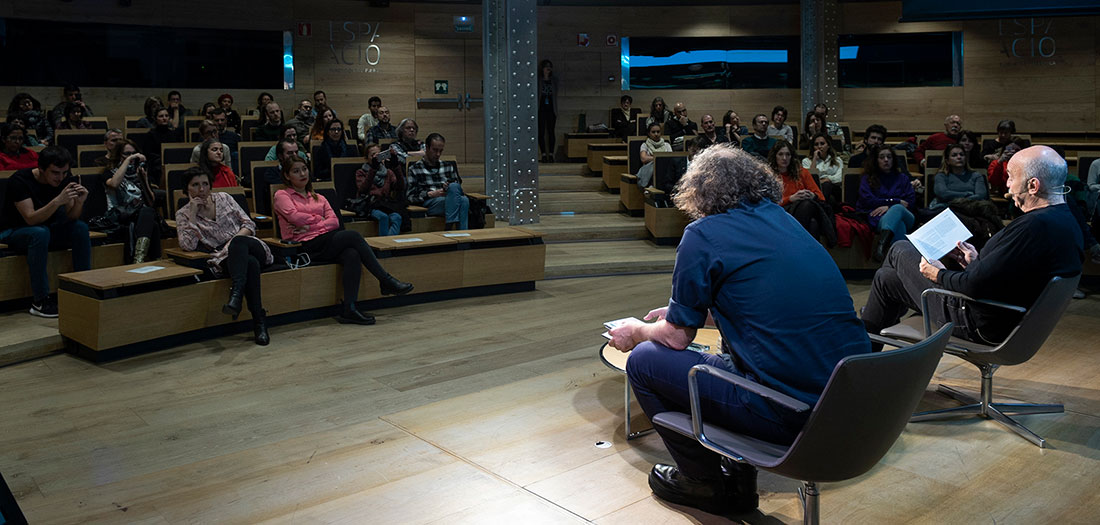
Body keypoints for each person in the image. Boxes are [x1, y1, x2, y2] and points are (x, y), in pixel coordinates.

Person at [607, 145, 870, 517]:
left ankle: (703, 482)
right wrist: (686, 313)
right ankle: (738, 478)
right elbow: (766, 307)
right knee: (731, 351)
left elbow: (677, 337)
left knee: (646, 360)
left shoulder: (702, 234)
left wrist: (637, 330)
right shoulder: (784, 220)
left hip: (790, 413)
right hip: (850, 403)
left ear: (698, 190)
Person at [861, 146, 1083, 346]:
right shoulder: (1065, 220)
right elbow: (1009, 275)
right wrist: (975, 263)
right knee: (885, 278)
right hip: (999, 317)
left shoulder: (1033, 226)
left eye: (1011, 177)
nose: (1007, 185)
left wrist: (938, 274)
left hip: (976, 322)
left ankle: (865, 352)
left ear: (1033, 186)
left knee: (899, 248)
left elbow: (974, 286)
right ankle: (868, 354)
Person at [273, 157, 412, 325]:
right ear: (287, 176)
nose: (302, 174)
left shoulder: (319, 197)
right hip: (304, 246)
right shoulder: (282, 195)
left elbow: (334, 222)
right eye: (296, 171)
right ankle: (385, 280)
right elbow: (295, 218)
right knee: (352, 236)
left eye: (304, 169)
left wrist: (311, 225)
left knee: (352, 254)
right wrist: (319, 219)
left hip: (323, 241)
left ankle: (349, 309)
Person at [175, 167, 272, 345]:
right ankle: (259, 321)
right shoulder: (183, 214)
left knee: (239, 244)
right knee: (250, 264)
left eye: (205, 184)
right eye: (195, 185)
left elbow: (249, 224)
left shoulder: (225, 198)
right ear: (186, 189)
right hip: (226, 259)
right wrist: (193, 214)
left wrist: (232, 244)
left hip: (249, 244)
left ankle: (236, 295)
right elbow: (188, 246)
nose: (201, 189)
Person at [0, 146, 90, 317]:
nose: (60, 178)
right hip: (13, 231)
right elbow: (30, 219)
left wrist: (79, 202)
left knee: (80, 228)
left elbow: (72, 217)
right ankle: (40, 301)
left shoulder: (65, 178)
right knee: (39, 232)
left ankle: (84, 289)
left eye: (64, 173)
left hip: (46, 229)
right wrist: (57, 201)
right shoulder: (20, 180)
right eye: (55, 173)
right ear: (41, 169)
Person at [100, 140, 161, 263]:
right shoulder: (109, 172)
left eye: (133, 153)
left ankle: (139, 259)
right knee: (150, 218)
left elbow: (150, 202)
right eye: (127, 154)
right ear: (119, 155)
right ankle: (153, 260)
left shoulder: (139, 172)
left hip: (139, 214)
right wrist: (128, 160)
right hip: (118, 214)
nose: (132, 157)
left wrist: (144, 180)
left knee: (149, 214)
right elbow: (114, 184)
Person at [858, 145, 916, 262]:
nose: (886, 160)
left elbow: (910, 202)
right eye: (882, 157)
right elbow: (868, 201)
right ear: (876, 160)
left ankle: (881, 245)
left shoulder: (902, 178)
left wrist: (889, 206)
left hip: (907, 216)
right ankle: (900, 263)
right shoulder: (868, 178)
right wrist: (895, 201)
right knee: (899, 225)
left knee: (898, 208)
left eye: (889, 157)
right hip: (879, 218)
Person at [770, 140, 834, 245]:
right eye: (780, 154)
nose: (784, 158)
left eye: (788, 154)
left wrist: (811, 195)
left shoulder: (801, 172)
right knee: (813, 224)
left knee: (807, 204)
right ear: (775, 156)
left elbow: (821, 197)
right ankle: (807, 251)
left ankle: (795, 245)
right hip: (781, 211)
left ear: (792, 156)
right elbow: (767, 203)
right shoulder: (769, 174)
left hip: (802, 209)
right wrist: (790, 199)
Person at [406, 133, 468, 230]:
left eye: (440, 151)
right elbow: (410, 196)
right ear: (427, 148)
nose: (438, 154)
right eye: (435, 150)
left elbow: (458, 191)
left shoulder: (448, 166)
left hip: (449, 198)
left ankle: (452, 226)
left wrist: (448, 188)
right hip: (431, 203)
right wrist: (430, 194)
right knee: (463, 201)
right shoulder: (415, 168)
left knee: (460, 195)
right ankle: (458, 232)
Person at [349, 143, 407, 236]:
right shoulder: (361, 172)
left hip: (385, 204)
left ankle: (389, 242)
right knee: (383, 217)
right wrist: (373, 169)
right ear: (366, 158)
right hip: (370, 204)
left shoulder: (388, 172)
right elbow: (363, 189)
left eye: (378, 155)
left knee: (397, 217)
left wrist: (396, 167)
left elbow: (400, 186)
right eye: (373, 155)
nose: (376, 157)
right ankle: (385, 243)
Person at [929, 143, 988, 210]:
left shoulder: (976, 175)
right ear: (947, 161)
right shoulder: (941, 176)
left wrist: (961, 202)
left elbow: (980, 196)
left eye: (962, 155)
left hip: (971, 209)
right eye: (954, 155)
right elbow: (943, 194)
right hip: (946, 208)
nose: (959, 157)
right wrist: (967, 194)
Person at [802, 132, 844, 209]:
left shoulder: (837, 160)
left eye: (822, 143)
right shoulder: (806, 161)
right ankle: (824, 208)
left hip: (834, 188)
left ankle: (820, 206)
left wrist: (827, 179)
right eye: (816, 144)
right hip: (815, 189)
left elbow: (840, 177)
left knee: (827, 185)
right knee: (831, 200)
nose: (819, 146)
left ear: (828, 145)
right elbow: (809, 178)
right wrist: (814, 159)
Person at [636, 122, 671, 189]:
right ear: (649, 133)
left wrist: (656, 158)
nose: (656, 134)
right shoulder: (645, 145)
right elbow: (643, 158)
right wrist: (659, 159)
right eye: (653, 132)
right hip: (649, 170)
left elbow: (671, 158)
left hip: (665, 170)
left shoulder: (667, 145)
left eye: (658, 132)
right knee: (655, 164)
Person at [537, 59, 559, 163]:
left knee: (551, 131)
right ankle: (543, 154)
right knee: (541, 132)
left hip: (551, 108)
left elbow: (555, 93)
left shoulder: (554, 80)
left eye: (549, 67)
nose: (548, 69)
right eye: (546, 67)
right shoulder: (538, 80)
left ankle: (551, 154)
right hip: (541, 108)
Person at [212, 108, 242, 174]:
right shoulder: (207, 138)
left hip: (231, 169)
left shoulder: (235, 136)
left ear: (226, 120)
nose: (220, 122)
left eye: (222, 120)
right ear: (212, 121)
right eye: (217, 120)